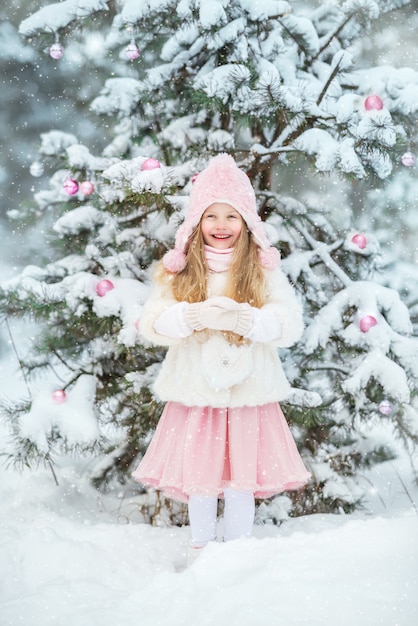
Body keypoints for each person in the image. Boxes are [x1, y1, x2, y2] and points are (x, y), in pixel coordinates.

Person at [132, 154, 310, 556]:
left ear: (246, 223)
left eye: (231, 217)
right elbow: (152, 322)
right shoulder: (179, 271)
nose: (221, 226)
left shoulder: (262, 270)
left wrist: (249, 321)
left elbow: (288, 323)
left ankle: (236, 554)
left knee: (240, 479)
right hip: (197, 394)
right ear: (197, 222)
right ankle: (201, 548)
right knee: (201, 476)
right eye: (212, 216)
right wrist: (190, 316)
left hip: (249, 393)